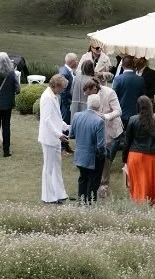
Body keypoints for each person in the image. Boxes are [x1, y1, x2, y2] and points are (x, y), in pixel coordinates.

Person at [121, 95, 155, 201]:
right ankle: (153, 203)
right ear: (150, 106)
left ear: (138, 106)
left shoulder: (132, 120)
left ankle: (140, 204)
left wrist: (124, 158)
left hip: (136, 156)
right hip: (154, 157)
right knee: (153, 183)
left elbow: (127, 141)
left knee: (139, 183)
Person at [37, 74, 70, 203]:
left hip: (55, 138)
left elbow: (57, 118)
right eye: (61, 88)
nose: (62, 90)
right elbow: (47, 120)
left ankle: (59, 193)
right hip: (49, 138)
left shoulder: (54, 96)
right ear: (55, 85)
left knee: (57, 166)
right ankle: (48, 197)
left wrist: (66, 127)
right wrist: (59, 134)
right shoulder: (47, 97)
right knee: (48, 167)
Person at [71, 92, 107, 204]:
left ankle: (81, 202)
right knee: (93, 182)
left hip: (80, 154)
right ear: (99, 106)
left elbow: (71, 134)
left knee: (82, 179)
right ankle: (90, 204)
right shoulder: (99, 121)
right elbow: (101, 145)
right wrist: (104, 154)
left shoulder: (77, 116)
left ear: (87, 103)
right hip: (93, 156)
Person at [95, 75, 123, 198]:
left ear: (97, 87)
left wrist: (106, 116)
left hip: (110, 128)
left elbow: (118, 111)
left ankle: (104, 186)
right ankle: (95, 184)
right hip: (95, 129)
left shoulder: (109, 92)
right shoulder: (88, 93)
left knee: (106, 157)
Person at [112, 56, 146, 130]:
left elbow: (113, 97)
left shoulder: (118, 79)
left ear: (122, 65)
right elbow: (142, 98)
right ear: (133, 65)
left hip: (121, 114)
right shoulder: (140, 80)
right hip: (136, 114)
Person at [59, 53, 78, 124]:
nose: (77, 62)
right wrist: (69, 104)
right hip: (66, 105)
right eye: (76, 60)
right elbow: (62, 92)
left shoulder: (69, 71)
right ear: (72, 62)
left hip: (68, 103)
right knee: (65, 124)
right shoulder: (64, 73)